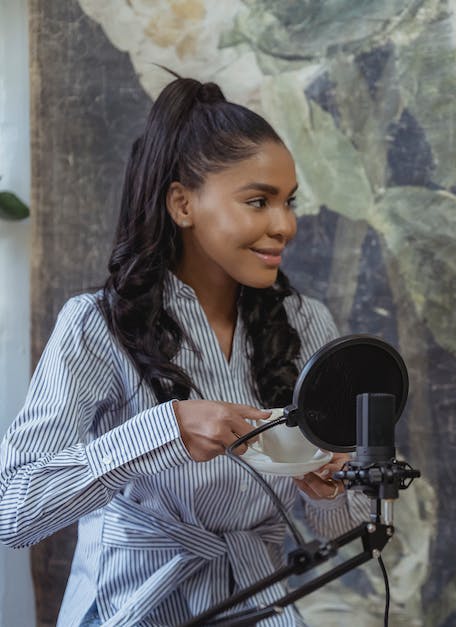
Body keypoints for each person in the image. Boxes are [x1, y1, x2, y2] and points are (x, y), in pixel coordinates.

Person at [0, 76, 371, 626]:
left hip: (259, 604)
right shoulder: (95, 326)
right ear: (182, 204)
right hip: (130, 609)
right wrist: (163, 431)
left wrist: (329, 487)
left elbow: (352, 528)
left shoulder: (306, 323)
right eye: (258, 201)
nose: (285, 225)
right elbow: (14, 510)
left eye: (288, 202)